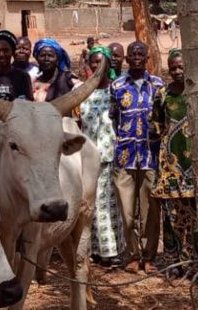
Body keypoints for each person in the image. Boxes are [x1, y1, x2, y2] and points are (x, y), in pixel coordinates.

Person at [110, 41, 163, 273]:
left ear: (147, 57)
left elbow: (163, 119)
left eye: (141, 53)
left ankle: (149, 257)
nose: (137, 57)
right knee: (127, 211)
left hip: (150, 157)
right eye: (133, 54)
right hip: (124, 157)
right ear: (127, 59)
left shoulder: (158, 85)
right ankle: (132, 256)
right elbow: (113, 119)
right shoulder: (117, 85)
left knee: (151, 211)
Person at [78, 46, 125, 269]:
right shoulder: (82, 92)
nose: (96, 66)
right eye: (92, 62)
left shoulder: (116, 91)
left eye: (100, 62)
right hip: (86, 157)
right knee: (91, 206)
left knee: (107, 206)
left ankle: (111, 252)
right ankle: (95, 250)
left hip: (109, 156)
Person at [151, 49, 197, 276]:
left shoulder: (197, 93)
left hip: (194, 165)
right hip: (169, 165)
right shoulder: (162, 94)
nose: (178, 72)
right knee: (171, 217)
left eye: (181, 67)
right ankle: (173, 262)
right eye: (173, 68)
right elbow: (156, 127)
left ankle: (194, 262)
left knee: (195, 216)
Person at [32, 38, 77, 102]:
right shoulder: (33, 82)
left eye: (50, 56)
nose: (46, 59)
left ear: (57, 60)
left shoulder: (67, 79)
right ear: (37, 58)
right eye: (42, 55)